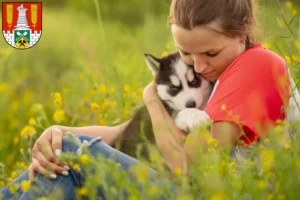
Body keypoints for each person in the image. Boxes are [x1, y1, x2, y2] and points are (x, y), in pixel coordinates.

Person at [0, 0, 295, 199]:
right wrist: (57, 133)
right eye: (186, 53)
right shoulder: (218, 75)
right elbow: (123, 132)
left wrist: (153, 99)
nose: (199, 66)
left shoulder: (258, 64)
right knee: (64, 149)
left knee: (72, 154)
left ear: (243, 31)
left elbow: (186, 169)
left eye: (210, 53)